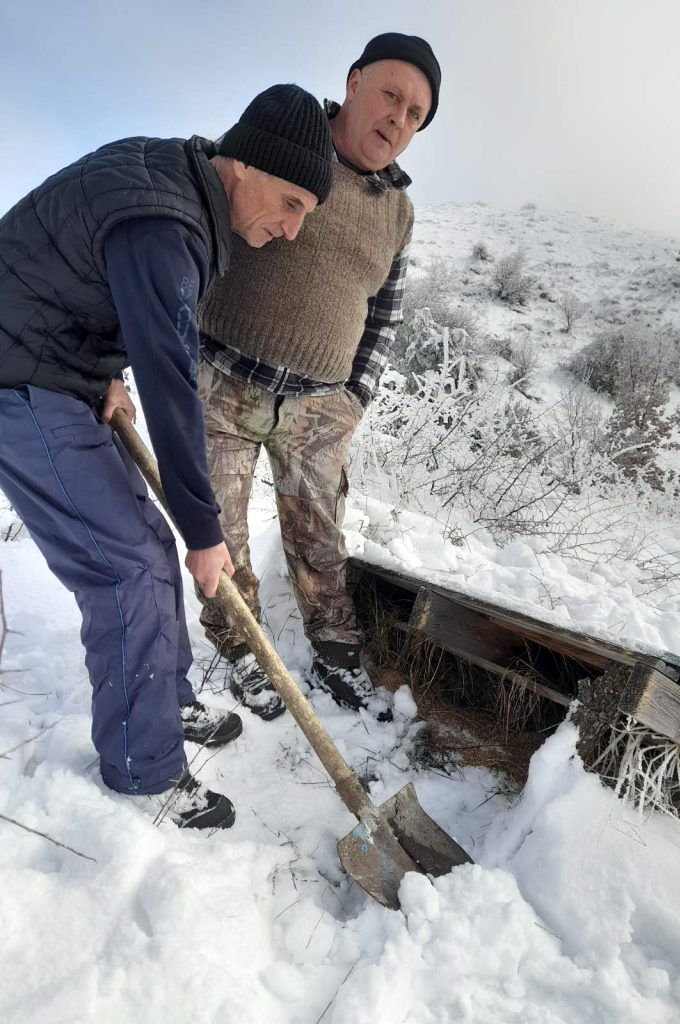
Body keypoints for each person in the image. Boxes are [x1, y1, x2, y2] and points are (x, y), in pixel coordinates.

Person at [0, 84, 334, 829]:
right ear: (243, 164)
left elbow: (82, 273)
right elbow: (170, 372)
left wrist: (99, 369)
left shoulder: (175, 185)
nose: (289, 230)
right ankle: (142, 771)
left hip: (54, 363)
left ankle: (166, 701)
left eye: (303, 217)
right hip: (18, 377)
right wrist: (206, 529)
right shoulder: (168, 219)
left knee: (145, 542)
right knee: (127, 567)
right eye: (289, 204)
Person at [196, 33, 441, 722]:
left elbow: (385, 314)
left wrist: (355, 397)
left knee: (321, 541)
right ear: (355, 81)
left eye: (416, 113)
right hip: (221, 379)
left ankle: (335, 652)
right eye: (391, 95)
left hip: (317, 407)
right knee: (219, 532)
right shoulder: (279, 141)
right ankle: (241, 651)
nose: (399, 120)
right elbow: (202, 222)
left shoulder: (399, 212)